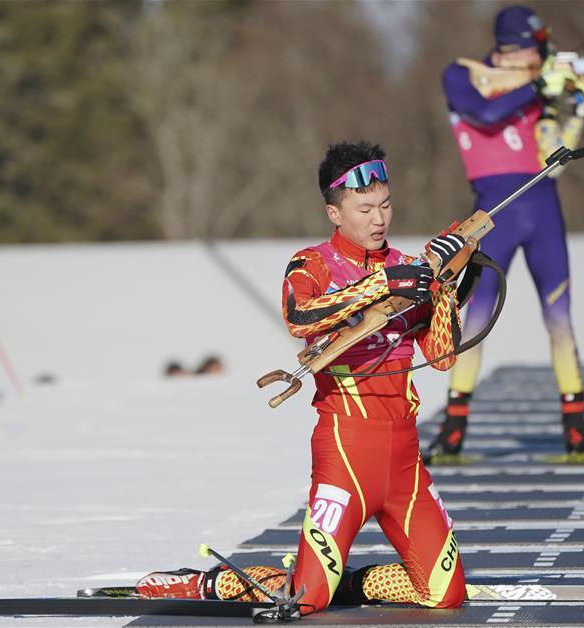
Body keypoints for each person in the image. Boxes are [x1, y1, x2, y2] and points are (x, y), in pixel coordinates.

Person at [134, 141, 468, 615]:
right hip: (346, 451)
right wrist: (382, 285)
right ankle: (209, 584)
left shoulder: (406, 268)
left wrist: (448, 285)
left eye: (386, 205)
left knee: (447, 593)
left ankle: (349, 584)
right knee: (304, 600)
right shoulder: (312, 263)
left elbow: (441, 357)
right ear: (335, 213)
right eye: (365, 208)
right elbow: (299, 317)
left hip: (404, 458)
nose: (379, 219)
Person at [426, 4, 584, 461]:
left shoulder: (535, 90)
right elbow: (482, 114)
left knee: (559, 318)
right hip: (493, 214)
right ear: (512, 49)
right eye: (533, 50)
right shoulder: (461, 75)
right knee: (476, 320)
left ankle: (577, 427)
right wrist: (539, 85)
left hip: (543, 210)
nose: (538, 58)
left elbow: (555, 157)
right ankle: (453, 429)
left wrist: (577, 104)